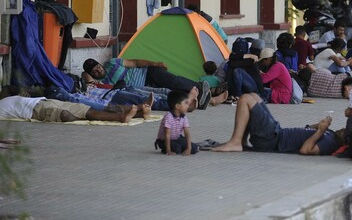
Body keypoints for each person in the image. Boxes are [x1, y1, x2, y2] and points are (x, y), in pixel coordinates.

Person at [212, 93, 343, 155]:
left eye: (344, 131)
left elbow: (305, 149)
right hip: (277, 131)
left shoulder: (330, 143)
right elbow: (306, 131)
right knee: (255, 96)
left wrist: (320, 130)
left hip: (272, 140)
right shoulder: (331, 134)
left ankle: (235, 142)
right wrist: (319, 125)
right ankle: (242, 141)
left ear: (346, 139)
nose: (342, 128)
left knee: (245, 99)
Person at [82, 57, 211, 110]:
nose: (98, 70)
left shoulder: (111, 62)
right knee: (169, 93)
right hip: (142, 87)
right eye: (94, 71)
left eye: (98, 66)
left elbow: (135, 62)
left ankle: (200, 89)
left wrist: (155, 64)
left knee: (174, 81)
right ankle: (205, 100)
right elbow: (85, 77)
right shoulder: (103, 83)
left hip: (148, 73)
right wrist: (85, 74)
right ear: (92, 74)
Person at [0, 95, 140, 123]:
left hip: (44, 100)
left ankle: (139, 113)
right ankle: (122, 118)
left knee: (88, 110)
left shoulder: (4, 98)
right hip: (35, 111)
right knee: (64, 115)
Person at [154, 90, 200, 155]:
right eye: (186, 103)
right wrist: (168, 151)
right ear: (177, 106)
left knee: (194, 148)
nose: (188, 105)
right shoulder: (169, 116)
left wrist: (188, 149)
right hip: (164, 140)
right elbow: (167, 135)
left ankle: (182, 148)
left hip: (177, 138)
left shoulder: (183, 117)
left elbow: (187, 133)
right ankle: (166, 149)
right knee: (177, 149)